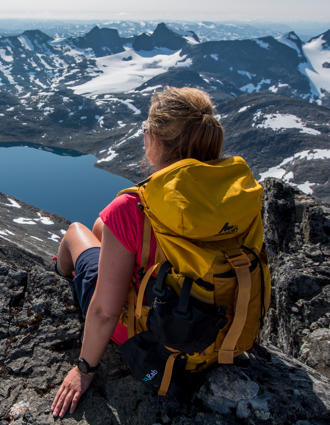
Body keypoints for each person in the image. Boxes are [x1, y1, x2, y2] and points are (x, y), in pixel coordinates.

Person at [51, 86, 225, 418]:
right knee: (103, 228)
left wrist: (85, 368)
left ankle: (62, 274)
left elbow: (104, 312)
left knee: (76, 232)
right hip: (215, 332)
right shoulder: (233, 197)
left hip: (151, 335)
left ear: (156, 141)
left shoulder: (135, 206)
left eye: (145, 130)